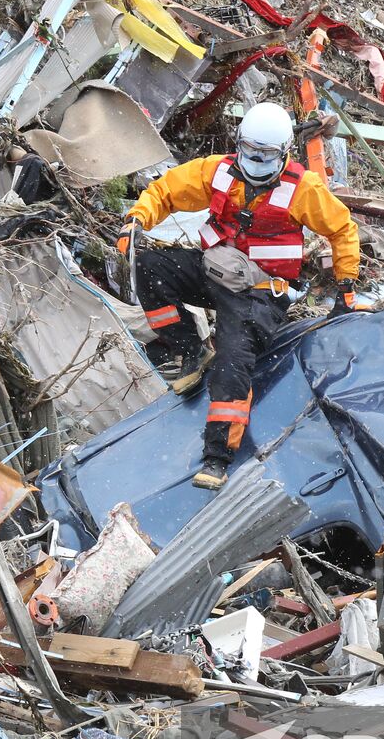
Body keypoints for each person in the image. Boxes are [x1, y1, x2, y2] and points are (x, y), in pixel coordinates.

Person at [116, 102, 361, 490]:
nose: (256, 160)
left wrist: (345, 288)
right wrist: (136, 219)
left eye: (265, 154)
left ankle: (217, 455)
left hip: (260, 292)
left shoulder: (304, 189)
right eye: (250, 149)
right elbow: (166, 190)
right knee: (150, 268)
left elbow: (342, 229)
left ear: (282, 153)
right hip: (217, 270)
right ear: (240, 143)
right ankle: (192, 349)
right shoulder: (217, 172)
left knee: (233, 362)